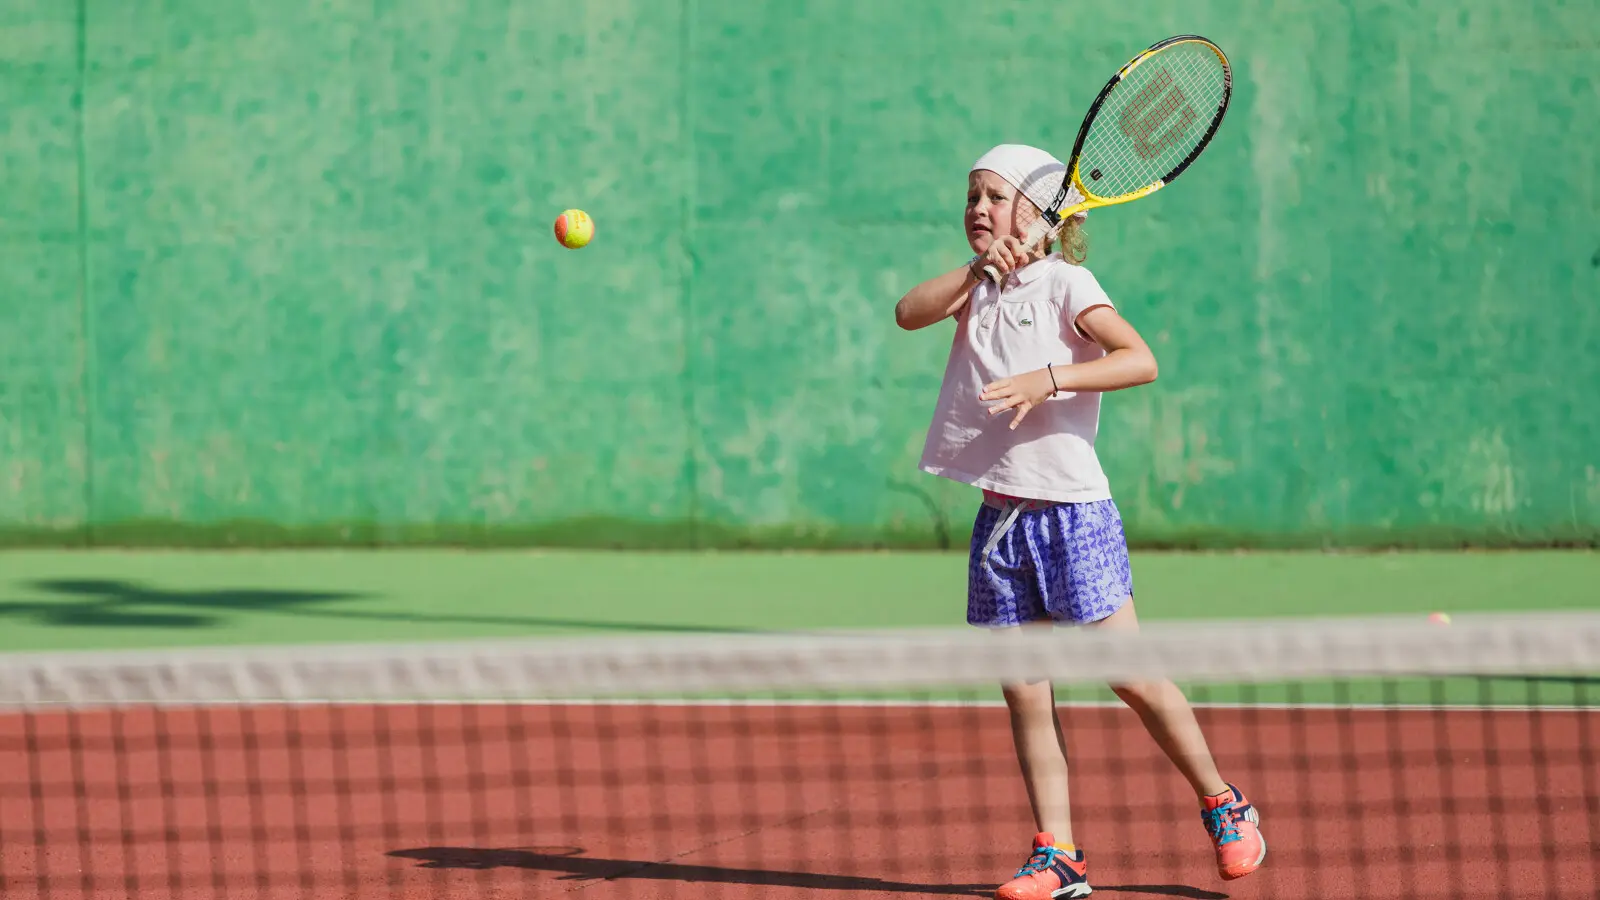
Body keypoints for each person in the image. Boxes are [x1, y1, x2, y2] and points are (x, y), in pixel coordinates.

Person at [894, 144, 1266, 900]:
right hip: (1000, 522)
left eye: (996, 197)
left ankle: (1224, 803)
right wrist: (976, 272)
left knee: (1129, 676)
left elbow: (1139, 359)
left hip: (1073, 517)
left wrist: (1052, 377)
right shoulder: (977, 289)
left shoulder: (1068, 281)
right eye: (971, 196)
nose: (978, 209)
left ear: (1039, 212)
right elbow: (907, 313)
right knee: (1025, 689)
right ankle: (1059, 856)